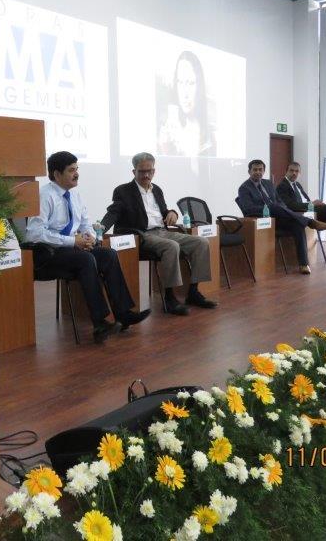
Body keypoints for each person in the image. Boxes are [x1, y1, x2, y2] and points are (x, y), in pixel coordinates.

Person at [25, 151, 150, 343]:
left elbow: (85, 224)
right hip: (47, 254)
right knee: (86, 259)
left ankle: (123, 313)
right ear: (56, 174)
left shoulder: (75, 195)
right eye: (71, 170)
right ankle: (99, 323)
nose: (76, 174)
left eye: (77, 169)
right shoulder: (44, 195)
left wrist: (90, 237)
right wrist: (72, 241)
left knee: (108, 254)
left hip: (69, 250)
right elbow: (34, 233)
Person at [101, 152, 216, 315]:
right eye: (141, 171)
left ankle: (193, 292)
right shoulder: (123, 191)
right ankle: (170, 298)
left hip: (162, 231)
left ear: (154, 171)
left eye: (149, 171)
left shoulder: (157, 190)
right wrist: (100, 230)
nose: (146, 175)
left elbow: (163, 211)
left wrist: (172, 213)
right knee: (171, 246)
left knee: (201, 242)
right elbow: (113, 212)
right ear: (134, 171)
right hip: (142, 234)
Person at [236, 159, 326, 275]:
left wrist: (282, 209)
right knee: (273, 206)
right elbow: (248, 209)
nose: (258, 172)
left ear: (264, 171)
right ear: (249, 172)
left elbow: (280, 201)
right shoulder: (244, 188)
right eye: (255, 170)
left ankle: (303, 264)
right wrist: (267, 208)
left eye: (260, 170)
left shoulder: (268, 184)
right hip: (261, 219)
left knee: (297, 225)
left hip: (278, 217)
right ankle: (310, 222)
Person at [157, 50, 214, 157]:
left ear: (199, 86)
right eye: (180, 82)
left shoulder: (209, 136)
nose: (184, 93)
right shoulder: (168, 131)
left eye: (191, 83)